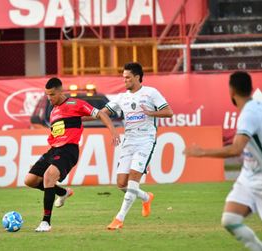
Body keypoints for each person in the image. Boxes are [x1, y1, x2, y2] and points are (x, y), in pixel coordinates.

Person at [24, 77, 120, 232]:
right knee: (30, 180)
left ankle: (46, 222)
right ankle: (63, 192)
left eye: (52, 95)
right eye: (47, 95)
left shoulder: (76, 104)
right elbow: (60, 131)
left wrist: (113, 131)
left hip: (68, 150)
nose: (49, 98)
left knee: (48, 177)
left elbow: (100, 114)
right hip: (54, 150)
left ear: (61, 91)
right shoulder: (53, 111)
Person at [184, 71, 262, 251]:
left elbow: (235, 149)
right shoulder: (255, 106)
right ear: (250, 89)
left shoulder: (248, 114)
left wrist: (201, 152)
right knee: (230, 220)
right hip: (248, 175)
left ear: (231, 91)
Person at [102, 62, 173, 230]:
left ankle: (119, 218)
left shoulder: (151, 93)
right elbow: (102, 113)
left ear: (137, 77)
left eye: (127, 77)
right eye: (123, 77)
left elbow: (169, 112)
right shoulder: (121, 97)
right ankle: (146, 197)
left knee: (134, 179)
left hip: (145, 141)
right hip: (129, 142)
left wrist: (151, 113)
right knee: (121, 184)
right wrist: (77, 118)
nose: (124, 80)